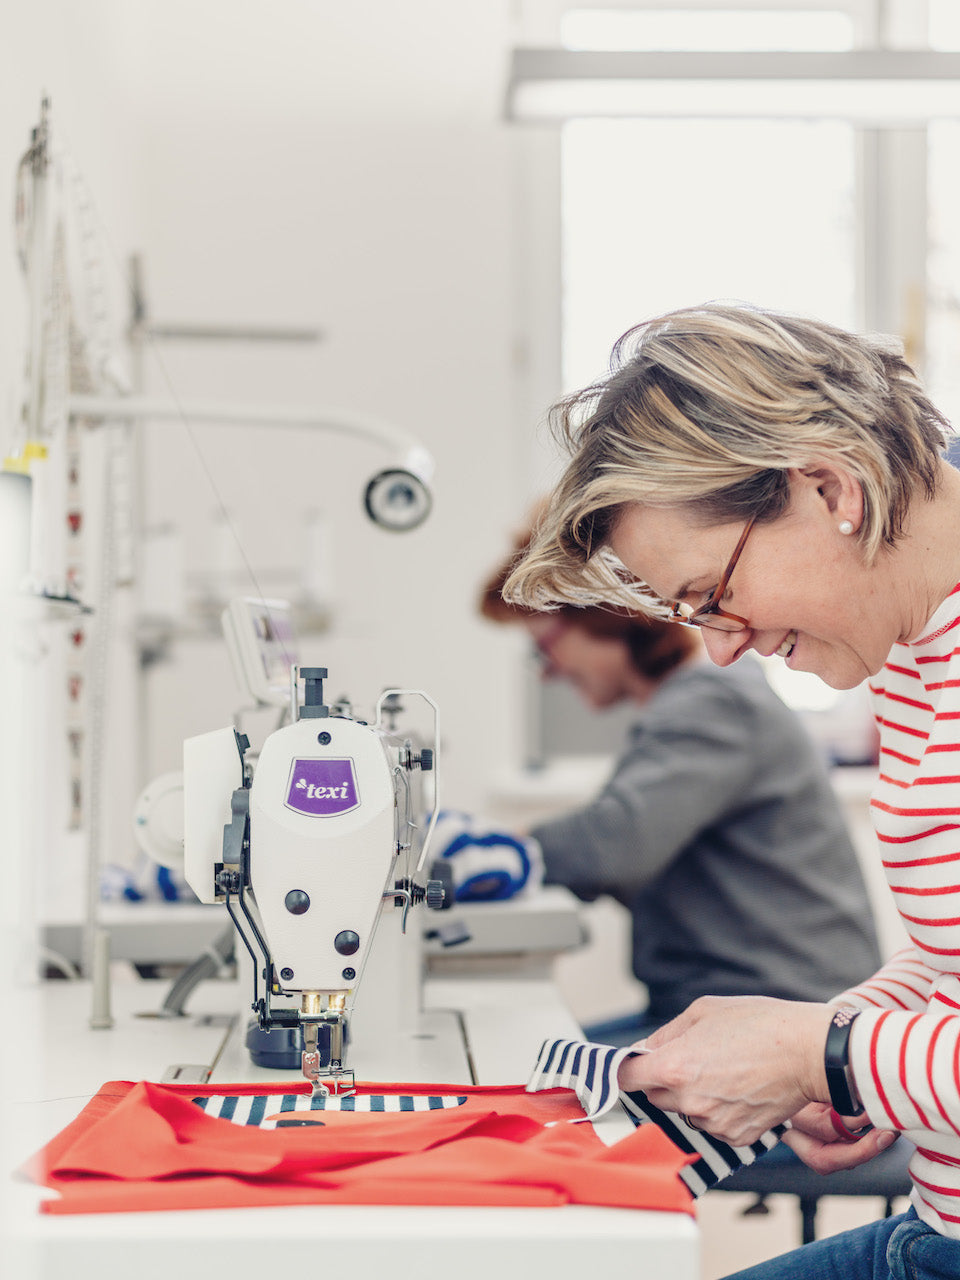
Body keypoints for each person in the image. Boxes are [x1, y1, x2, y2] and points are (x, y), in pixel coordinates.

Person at [503, 302, 960, 1278]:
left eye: (715, 591)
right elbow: (946, 958)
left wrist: (826, 1053)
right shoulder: (917, 652)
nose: (718, 644)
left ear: (830, 487)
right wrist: (846, 1044)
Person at [479, 531, 880, 1042]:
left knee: (533, 1073)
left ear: (604, 617)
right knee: (540, 1065)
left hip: (779, 1017)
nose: (547, 673)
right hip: (737, 1007)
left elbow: (616, 841)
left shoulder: (711, 701)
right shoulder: (693, 702)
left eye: (544, 647)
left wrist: (496, 852)